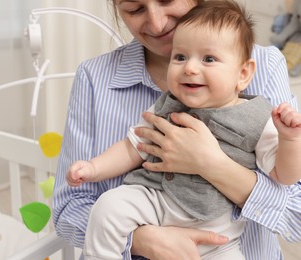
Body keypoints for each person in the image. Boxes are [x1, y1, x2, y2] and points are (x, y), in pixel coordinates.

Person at [53, 0, 301, 259]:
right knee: (108, 206)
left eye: (167, 0)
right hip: (155, 201)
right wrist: (94, 170)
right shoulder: (164, 101)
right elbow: (129, 149)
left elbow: (290, 187)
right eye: (136, 9)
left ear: (243, 74)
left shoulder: (259, 110)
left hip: (220, 237)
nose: (157, 23)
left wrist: (211, 163)